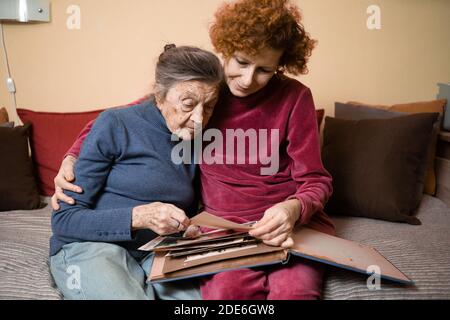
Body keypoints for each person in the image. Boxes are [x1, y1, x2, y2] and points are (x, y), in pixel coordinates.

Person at [52, 0, 335, 300]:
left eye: (265, 70)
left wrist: (292, 209)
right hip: (213, 232)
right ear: (227, 49)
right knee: (225, 294)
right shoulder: (204, 89)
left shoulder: (280, 97)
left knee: (292, 292)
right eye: (241, 61)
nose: (248, 79)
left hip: (271, 227)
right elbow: (127, 115)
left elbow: (316, 179)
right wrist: (73, 154)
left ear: (280, 65)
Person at [49, 45, 223, 300]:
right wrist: (139, 217)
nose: (199, 118)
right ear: (159, 95)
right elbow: (64, 220)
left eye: (209, 106)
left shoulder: (197, 139)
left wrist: (191, 226)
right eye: (188, 104)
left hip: (158, 251)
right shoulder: (115, 124)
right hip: (92, 246)